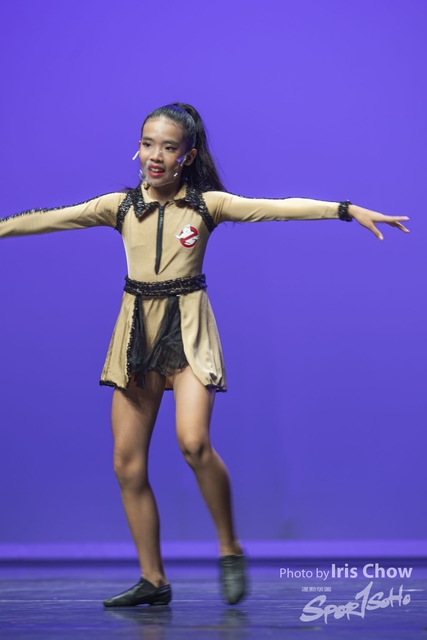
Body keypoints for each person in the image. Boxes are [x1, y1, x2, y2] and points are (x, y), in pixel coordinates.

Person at [0, 103, 410, 607]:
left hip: (189, 334)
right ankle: (153, 580)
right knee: (127, 465)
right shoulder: (120, 206)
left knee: (193, 443)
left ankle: (229, 546)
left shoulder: (206, 206)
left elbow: (277, 207)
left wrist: (346, 210)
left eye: (168, 147)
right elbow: (49, 219)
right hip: (136, 339)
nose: (155, 155)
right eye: (147, 143)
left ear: (187, 156)